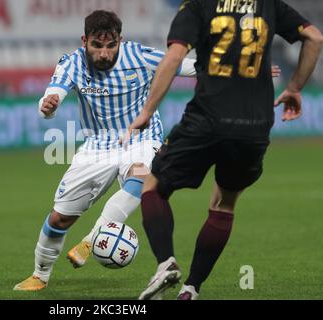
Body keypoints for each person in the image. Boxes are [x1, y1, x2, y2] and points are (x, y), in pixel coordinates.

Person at [126, 0, 323, 300]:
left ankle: (166, 263)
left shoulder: (197, 7)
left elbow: (174, 57)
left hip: (206, 119)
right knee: (223, 205)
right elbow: (314, 37)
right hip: (254, 125)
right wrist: (295, 87)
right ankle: (192, 288)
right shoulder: (269, 5)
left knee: (153, 185)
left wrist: (146, 111)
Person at [13, 10, 197, 291]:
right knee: (59, 218)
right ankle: (40, 274)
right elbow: (52, 95)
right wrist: (47, 106)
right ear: (85, 41)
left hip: (142, 137)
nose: (104, 53)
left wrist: (239, 70)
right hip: (97, 145)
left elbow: (186, 65)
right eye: (97, 46)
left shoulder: (138, 56)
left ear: (120, 41)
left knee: (141, 180)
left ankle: (91, 240)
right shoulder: (72, 63)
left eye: (111, 46)